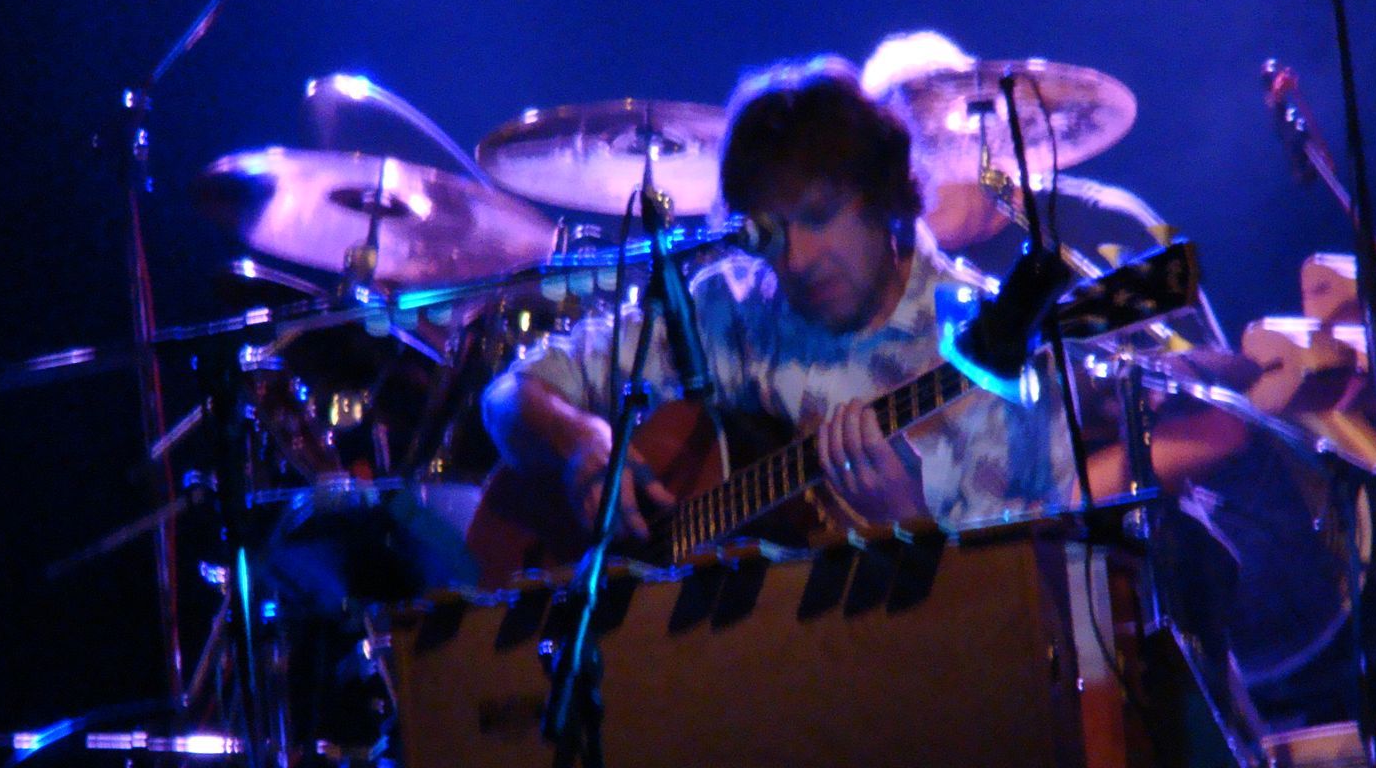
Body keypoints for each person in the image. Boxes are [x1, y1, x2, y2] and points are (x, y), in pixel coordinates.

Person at [482, 54, 1244, 553]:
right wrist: (579, 440)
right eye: (771, 231)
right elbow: (509, 395)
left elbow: (1020, 603)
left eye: (819, 216)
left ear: (884, 197)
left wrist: (903, 524)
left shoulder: (990, 348)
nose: (796, 258)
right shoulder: (727, 307)